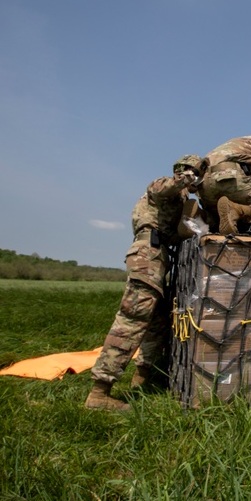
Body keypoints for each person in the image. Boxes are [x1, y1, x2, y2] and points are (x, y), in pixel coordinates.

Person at [84, 154, 203, 411]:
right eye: (194, 173)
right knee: (133, 320)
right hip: (148, 256)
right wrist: (186, 178)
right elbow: (164, 187)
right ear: (183, 171)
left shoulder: (179, 200)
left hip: (158, 258)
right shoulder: (163, 186)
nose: (196, 180)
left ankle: (143, 377)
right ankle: (99, 392)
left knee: (159, 322)